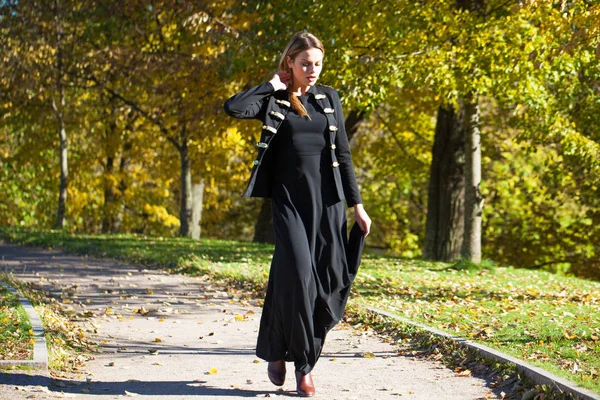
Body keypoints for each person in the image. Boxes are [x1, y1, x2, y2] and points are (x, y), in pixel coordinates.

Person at [224, 31, 372, 397]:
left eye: (318, 63)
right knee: (300, 276)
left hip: (329, 204)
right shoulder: (274, 98)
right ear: (290, 62)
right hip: (289, 202)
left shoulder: (328, 98)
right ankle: (303, 368)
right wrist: (273, 83)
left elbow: (344, 155)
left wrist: (357, 204)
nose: (313, 70)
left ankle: (277, 348)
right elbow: (233, 107)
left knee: (320, 281)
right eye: (305, 63)